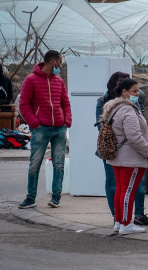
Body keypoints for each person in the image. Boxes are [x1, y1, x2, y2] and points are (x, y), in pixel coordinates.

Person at [96, 71, 148, 226]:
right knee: (127, 191)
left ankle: (119, 221)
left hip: (118, 156)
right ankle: (126, 224)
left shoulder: (112, 107)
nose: (138, 94)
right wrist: (147, 151)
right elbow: (134, 136)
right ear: (125, 92)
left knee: (121, 190)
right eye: (135, 91)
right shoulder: (128, 109)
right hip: (130, 158)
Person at [18, 50, 72, 209]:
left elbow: (65, 103)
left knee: (59, 163)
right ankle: (30, 198)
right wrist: (35, 123)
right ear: (53, 61)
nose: (60, 66)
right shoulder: (31, 80)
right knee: (34, 164)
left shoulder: (59, 81)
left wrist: (67, 121)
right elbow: (24, 105)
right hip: (41, 129)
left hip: (59, 128)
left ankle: (56, 197)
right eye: (60, 62)